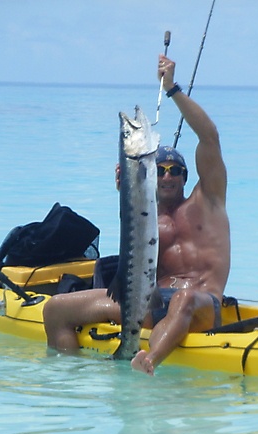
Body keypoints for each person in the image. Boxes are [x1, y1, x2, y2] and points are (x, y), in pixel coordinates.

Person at [43, 53, 230, 375]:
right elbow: (136, 252)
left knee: (182, 299)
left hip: (200, 303)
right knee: (56, 309)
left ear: (187, 176)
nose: (168, 176)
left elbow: (209, 136)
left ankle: (148, 361)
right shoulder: (146, 215)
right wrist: (126, 194)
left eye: (175, 170)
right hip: (148, 303)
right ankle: (67, 380)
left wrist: (171, 89)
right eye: (160, 170)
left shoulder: (208, 200)